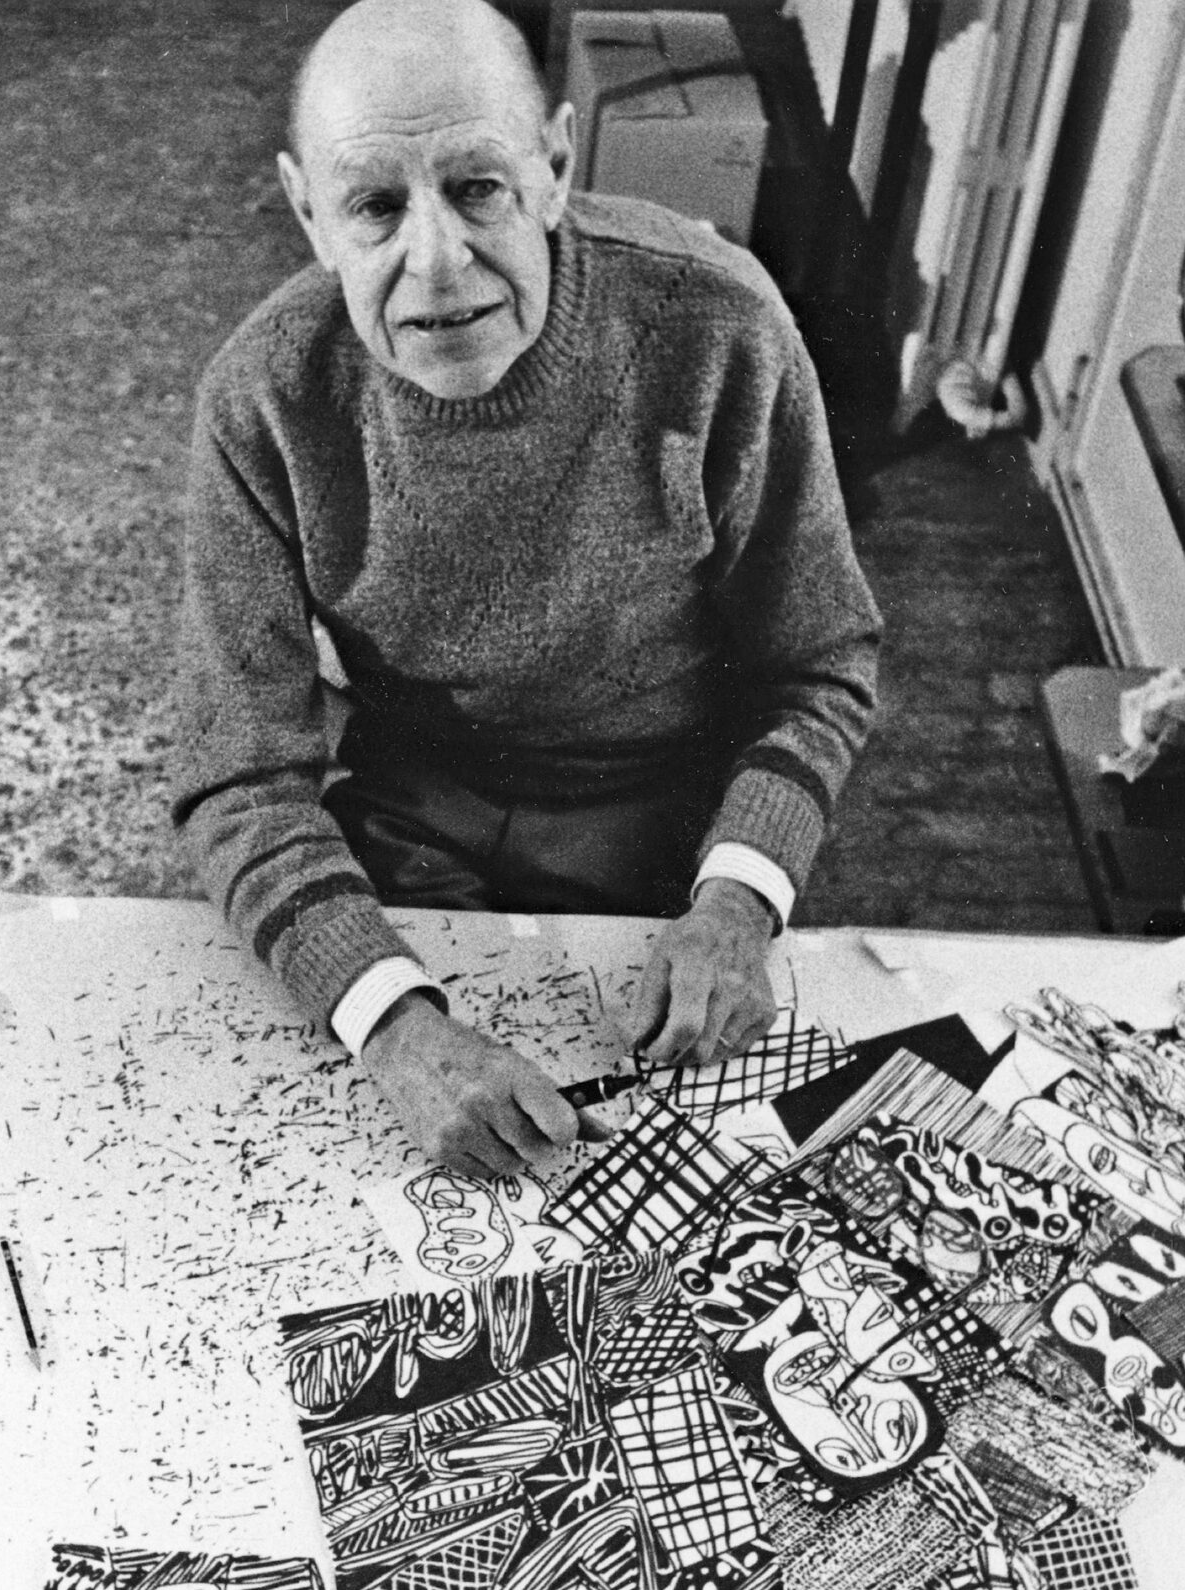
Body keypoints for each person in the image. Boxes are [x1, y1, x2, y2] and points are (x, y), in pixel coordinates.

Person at [172, 0, 880, 1176]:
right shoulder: (262, 398)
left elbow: (820, 663)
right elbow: (236, 773)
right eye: (376, 205)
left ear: (554, 167)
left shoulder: (721, 327)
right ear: (308, 214)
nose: (437, 264)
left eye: (479, 188)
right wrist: (392, 1025)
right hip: (415, 815)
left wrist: (737, 903)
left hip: (671, 828)